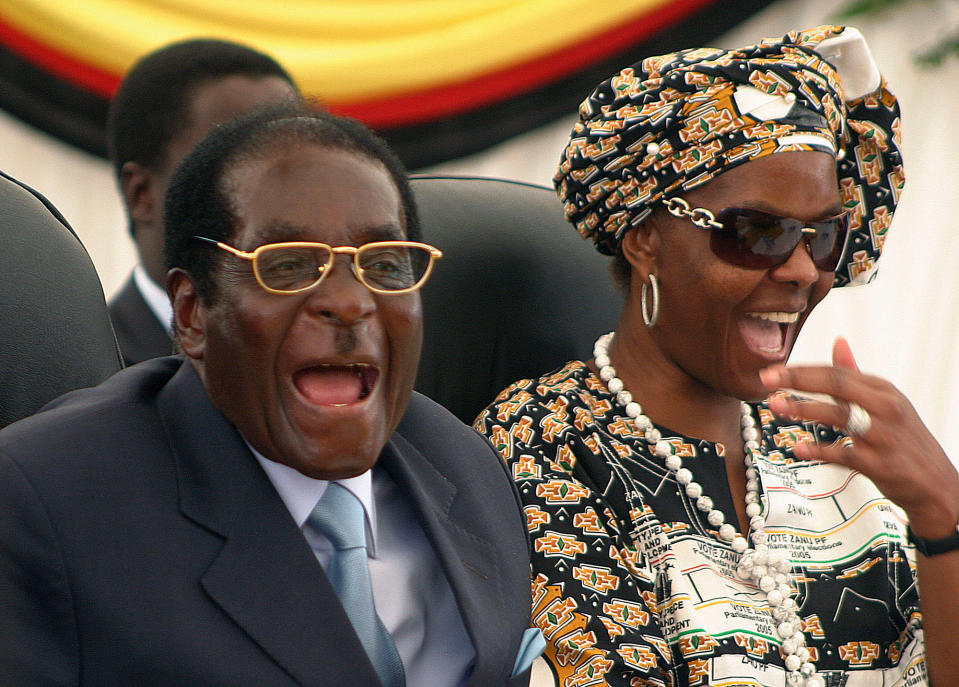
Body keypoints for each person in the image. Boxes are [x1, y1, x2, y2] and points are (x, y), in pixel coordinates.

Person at [476, 25, 959, 687]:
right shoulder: (540, 444)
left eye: (823, 237)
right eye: (758, 232)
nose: (799, 270)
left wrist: (942, 517)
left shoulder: (835, 447)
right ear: (645, 240)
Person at [0, 105, 540, 686]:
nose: (350, 302)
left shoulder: (469, 466)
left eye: (383, 265)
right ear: (192, 314)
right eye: (288, 266)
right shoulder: (46, 502)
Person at [106, 38, 300, 365]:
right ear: (142, 195)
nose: (281, 196)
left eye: (295, 167)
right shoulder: (81, 378)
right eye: (236, 167)